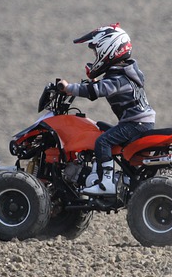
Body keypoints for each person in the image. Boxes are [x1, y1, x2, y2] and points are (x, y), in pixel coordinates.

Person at [56, 23, 155, 195]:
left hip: (134, 124)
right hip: (140, 123)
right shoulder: (127, 72)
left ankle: (106, 183)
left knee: (102, 141)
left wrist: (68, 88)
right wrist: (97, 84)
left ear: (108, 49)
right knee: (101, 130)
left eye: (96, 52)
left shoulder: (118, 78)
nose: (95, 57)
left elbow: (95, 91)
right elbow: (103, 87)